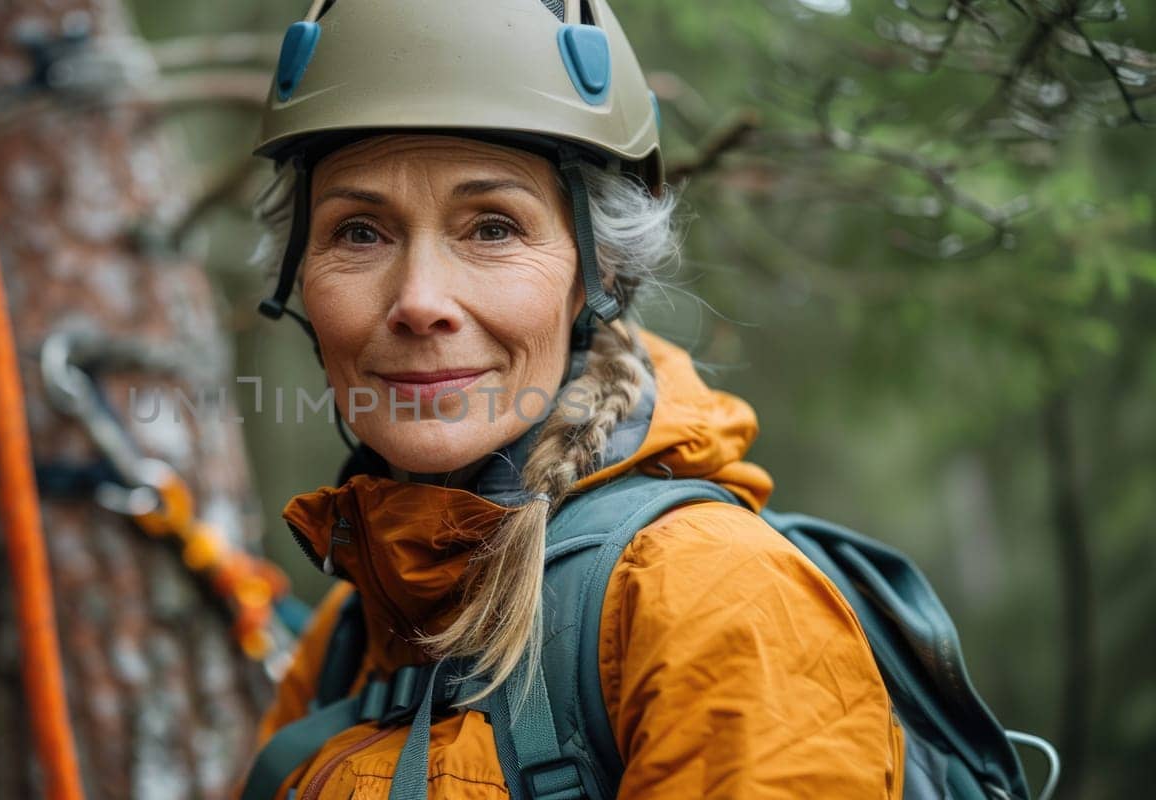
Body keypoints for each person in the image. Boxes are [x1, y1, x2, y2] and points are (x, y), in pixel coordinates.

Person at [238, 0, 905, 797]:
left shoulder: (714, 606)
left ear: (599, 275)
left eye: (491, 228)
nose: (419, 301)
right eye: (359, 232)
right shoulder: (347, 637)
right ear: (299, 282)